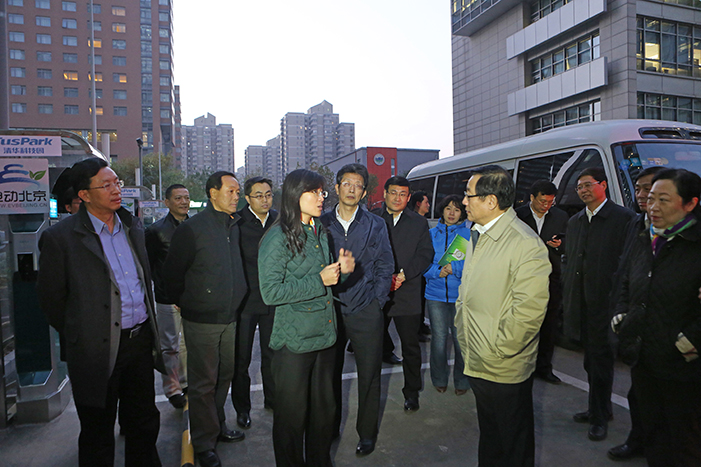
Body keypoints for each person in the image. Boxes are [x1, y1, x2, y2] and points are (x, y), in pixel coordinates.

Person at [37, 158, 165, 467]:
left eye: (116, 183)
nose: (116, 190)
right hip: (95, 350)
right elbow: (53, 302)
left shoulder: (132, 227)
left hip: (138, 343)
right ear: (84, 195)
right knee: (98, 432)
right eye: (106, 185)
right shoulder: (61, 238)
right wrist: (83, 333)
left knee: (144, 423)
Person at [454, 165, 550, 467]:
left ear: (491, 201)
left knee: (513, 446)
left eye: (469, 195)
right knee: (492, 439)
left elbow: (528, 312)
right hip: (479, 358)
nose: (463, 202)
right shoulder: (478, 234)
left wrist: (499, 349)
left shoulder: (524, 243)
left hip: (502, 365)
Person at [258, 169, 355, 467]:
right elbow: (270, 292)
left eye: (322, 192)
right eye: (313, 192)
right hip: (294, 342)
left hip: (324, 337)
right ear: (294, 194)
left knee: (323, 414)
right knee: (291, 419)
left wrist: (342, 272)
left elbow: (327, 282)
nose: (321, 198)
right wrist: (319, 280)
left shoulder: (319, 230)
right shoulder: (277, 237)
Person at [612, 168, 701, 467]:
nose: (653, 206)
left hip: (684, 365)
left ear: (690, 204)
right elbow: (627, 279)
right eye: (651, 198)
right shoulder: (645, 237)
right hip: (644, 357)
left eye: (664, 200)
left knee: (685, 442)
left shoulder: (695, 244)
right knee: (654, 435)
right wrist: (622, 314)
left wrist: (690, 341)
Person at [163, 172, 247, 467]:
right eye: (231, 190)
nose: (236, 196)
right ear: (213, 193)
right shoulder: (193, 229)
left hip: (229, 317)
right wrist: (190, 302)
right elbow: (172, 274)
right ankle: (203, 443)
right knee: (203, 383)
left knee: (224, 375)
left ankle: (217, 425)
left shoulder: (234, 225)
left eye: (238, 191)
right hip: (202, 320)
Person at [320, 164, 394, 456]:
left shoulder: (375, 224)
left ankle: (367, 433)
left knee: (369, 374)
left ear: (364, 192)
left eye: (358, 185)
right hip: (330, 308)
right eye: (347, 184)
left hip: (366, 309)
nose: (352, 189)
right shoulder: (321, 222)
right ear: (337, 187)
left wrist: (377, 301)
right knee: (328, 375)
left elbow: (385, 263)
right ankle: (330, 427)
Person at [562, 167, 635, 441]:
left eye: (588, 185)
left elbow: (628, 263)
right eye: (579, 187)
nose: (583, 190)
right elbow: (570, 258)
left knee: (601, 362)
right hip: (580, 301)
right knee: (590, 361)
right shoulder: (576, 221)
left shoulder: (623, 219)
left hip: (606, 304)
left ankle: (599, 418)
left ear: (603, 185)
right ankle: (600, 408)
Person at [607, 166, 663, 461]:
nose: (642, 195)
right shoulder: (635, 223)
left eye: (649, 189)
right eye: (639, 189)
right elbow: (626, 272)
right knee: (639, 391)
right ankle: (638, 440)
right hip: (637, 323)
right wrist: (620, 309)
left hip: (669, 329)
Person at [372, 176, 433, 411]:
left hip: (407, 292)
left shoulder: (418, 222)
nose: (398, 198)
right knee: (372, 347)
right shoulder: (372, 219)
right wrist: (382, 277)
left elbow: (425, 254)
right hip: (377, 292)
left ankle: (412, 392)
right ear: (385, 194)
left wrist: (404, 275)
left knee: (410, 346)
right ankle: (371, 393)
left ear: (408, 198)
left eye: (403, 194)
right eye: (393, 193)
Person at [231, 176, 278, 429]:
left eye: (268, 194)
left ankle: (273, 399)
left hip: (273, 299)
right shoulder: (236, 222)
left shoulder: (279, 221)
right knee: (241, 359)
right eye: (258, 195)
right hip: (245, 302)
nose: (264, 200)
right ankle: (242, 408)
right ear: (247, 198)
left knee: (272, 354)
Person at [515, 180, 569, 384]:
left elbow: (568, 241)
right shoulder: (518, 216)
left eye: (550, 202)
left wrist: (560, 245)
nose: (546, 206)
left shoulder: (561, 217)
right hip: (523, 278)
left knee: (549, 324)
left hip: (550, 276)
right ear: (532, 198)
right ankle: (521, 365)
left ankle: (544, 367)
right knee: (524, 323)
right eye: (542, 201)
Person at [145, 184, 190, 410]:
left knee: (189, 345)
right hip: (167, 299)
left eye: (186, 198)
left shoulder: (196, 227)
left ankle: (187, 383)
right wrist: (168, 292)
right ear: (167, 202)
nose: (183, 202)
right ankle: (173, 389)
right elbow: (150, 266)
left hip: (192, 298)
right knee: (170, 347)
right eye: (178, 198)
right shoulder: (155, 231)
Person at [423, 194, 471, 395]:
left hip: (461, 296)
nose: (452, 213)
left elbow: (474, 263)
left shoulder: (468, 235)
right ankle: (439, 379)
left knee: (461, 342)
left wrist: (455, 268)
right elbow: (421, 262)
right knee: (439, 340)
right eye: (448, 208)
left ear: (462, 213)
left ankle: (462, 381)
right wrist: (436, 272)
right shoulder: (430, 234)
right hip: (435, 296)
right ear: (442, 210)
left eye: (457, 209)